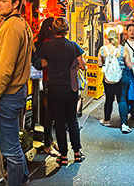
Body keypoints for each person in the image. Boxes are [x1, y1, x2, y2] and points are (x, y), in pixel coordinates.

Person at [0, 0, 34, 186]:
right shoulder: (19, 24)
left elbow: (5, 68)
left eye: (3, 0)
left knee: (10, 150)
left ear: (15, 3)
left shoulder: (12, 27)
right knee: (14, 145)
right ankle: (23, 179)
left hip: (7, 94)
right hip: (16, 92)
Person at [40, 17, 86, 166]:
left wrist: (53, 63)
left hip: (54, 88)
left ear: (53, 30)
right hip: (70, 89)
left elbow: (42, 64)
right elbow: (83, 66)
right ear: (66, 31)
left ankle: (64, 156)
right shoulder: (73, 46)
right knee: (72, 120)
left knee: (59, 121)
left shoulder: (47, 47)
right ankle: (77, 153)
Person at [98, 30, 133, 134]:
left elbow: (99, 65)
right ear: (117, 38)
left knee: (109, 99)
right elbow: (129, 65)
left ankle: (107, 120)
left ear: (107, 39)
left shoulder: (102, 50)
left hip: (108, 79)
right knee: (122, 100)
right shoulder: (123, 49)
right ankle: (124, 124)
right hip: (122, 77)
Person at [33, 17, 58, 155]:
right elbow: (43, 63)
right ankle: (48, 144)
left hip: (44, 80)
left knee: (49, 113)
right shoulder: (48, 44)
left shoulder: (42, 43)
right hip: (48, 80)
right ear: (50, 28)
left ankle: (50, 141)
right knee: (50, 114)